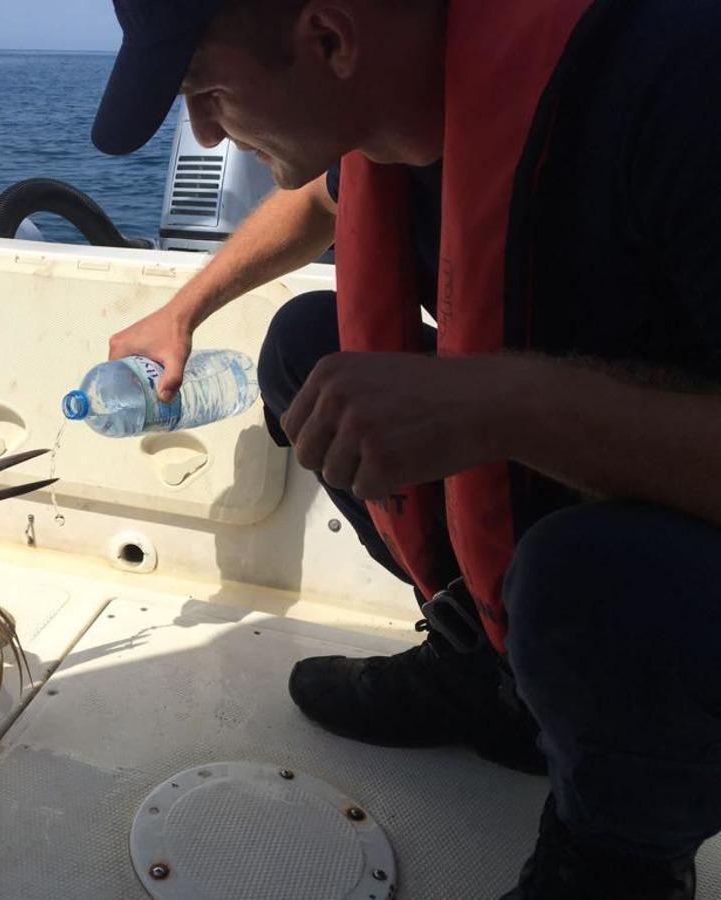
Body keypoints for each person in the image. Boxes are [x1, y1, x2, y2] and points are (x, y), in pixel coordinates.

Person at [91, 1, 721, 897]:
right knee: (308, 348)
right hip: (592, 494)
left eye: (207, 91)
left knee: (586, 574)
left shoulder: (681, 76)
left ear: (330, 38)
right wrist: (184, 310)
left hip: (663, 557)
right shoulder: (409, 95)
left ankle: (621, 852)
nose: (203, 131)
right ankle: (488, 671)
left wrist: (513, 401)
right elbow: (319, 196)